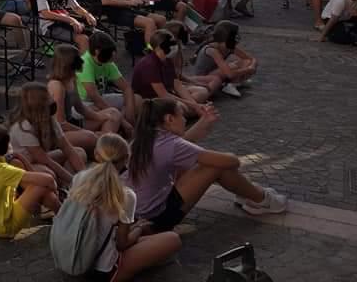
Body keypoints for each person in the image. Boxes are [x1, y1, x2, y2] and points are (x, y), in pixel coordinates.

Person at [128, 98, 287, 231]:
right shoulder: (172, 144)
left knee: (195, 163)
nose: (185, 120)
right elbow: (232, 161)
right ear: (169, 119)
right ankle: (260, 200)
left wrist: (204, 122)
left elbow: (183, 146)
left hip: (137, 215)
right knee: (214, 167)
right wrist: (226, 156)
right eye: (182, 115)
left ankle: (249, 196)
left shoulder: (142, 139)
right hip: (154, 219)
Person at [65, 134, 181, 282]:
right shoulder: (125, 195)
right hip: (103, 271)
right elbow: (122, 244)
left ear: (95, 155)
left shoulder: (79, 179)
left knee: (138, 233)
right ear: (126, 159)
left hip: (73, 257)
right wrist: (138, 228)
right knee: (172, 239)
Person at [0, 123, 60, 238]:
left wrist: (19, 156)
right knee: (41, 187)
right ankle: (64, 214)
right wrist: (55, 190)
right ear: (4, 147)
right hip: (5, 227)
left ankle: (55, 211)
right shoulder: (3, 170)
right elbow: (48, 180)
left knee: (33, 182)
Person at [47, 44, 125, 153]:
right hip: (57, 132)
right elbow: (60, 123)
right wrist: (83, 131)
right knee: (89, 137)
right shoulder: (57, 86)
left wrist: (100, 117)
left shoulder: (71, 79)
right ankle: (104, 146)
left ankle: (105, 144)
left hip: (72, 123)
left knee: (113, 113)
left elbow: (81, 108)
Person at [8, 81, 86, 187]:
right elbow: (45, 160)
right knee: (47, 173)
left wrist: (85, 176)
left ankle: (66, 185)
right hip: (23, 165)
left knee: (79, 152)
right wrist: (73, 180)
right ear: (38, 104)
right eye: (48, 97)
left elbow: (68, 149)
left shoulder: (49, 120)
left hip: (39, 160)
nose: (52, 99)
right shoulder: (23, 127)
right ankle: (69, 183)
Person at [131, 30, 208, 116]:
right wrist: (194, 105)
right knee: (180, 108)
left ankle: (191, 111)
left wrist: (194, 105)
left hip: (167, 93)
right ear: (159, 47)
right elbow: (163, 94)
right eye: (171, 44)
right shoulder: (149, 64)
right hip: (151, 99)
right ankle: (191, 111)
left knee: (202, 92)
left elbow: (178, 86)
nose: (174, 46)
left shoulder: (167, 59)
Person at [76, 31, 139, 125]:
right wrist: (122, 120)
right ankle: (109, 132)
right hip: (85, 104)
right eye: (109, 55)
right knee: (111, 116)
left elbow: (126, 88)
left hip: (101, 98)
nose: (112, 59)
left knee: (137, 99)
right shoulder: (85, 64)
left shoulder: (107, 62)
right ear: (97, 52)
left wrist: (130, 114)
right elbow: (95, 98)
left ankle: (123, 125)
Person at [190, 20, 257, 99]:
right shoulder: (212, 50)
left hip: (216, 73)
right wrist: (248, 69)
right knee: (225, 73)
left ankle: (233, 83)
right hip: (204, 78)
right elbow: (229, 74)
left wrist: (251, 65)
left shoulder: (228, 46)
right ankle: (230, 85)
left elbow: (250, 58)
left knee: (245, 62)